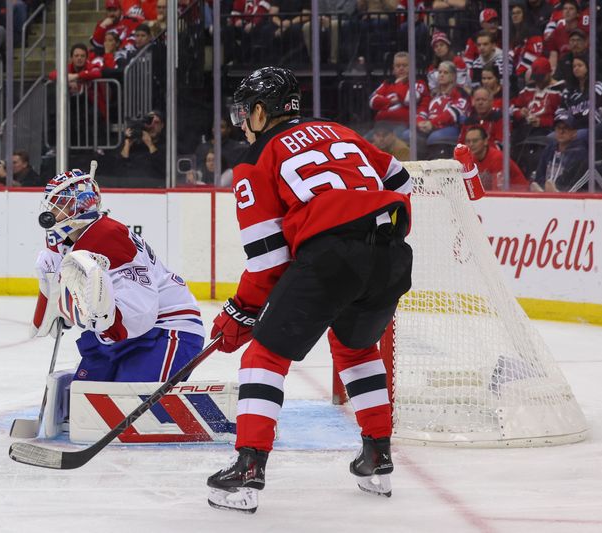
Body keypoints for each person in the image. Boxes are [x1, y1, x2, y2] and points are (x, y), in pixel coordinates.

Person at [206, 67, 413, 513]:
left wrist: (239, 312)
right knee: (357, 350)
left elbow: (268, 261)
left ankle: (248, 467)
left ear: (262, 111)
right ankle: (378, 456)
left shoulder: (255, 161)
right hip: (392, 254)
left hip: (332, 254)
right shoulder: (340, 131)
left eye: (245, 113)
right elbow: (402, 181)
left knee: (263, 355)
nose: (242, 123)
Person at [32, 167, 205, 383]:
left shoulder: (106, 235)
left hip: (168, 330)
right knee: (86, 401)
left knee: (132, 407)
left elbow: (141, 312)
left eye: (59, 205)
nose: (51, 212)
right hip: (123, 333)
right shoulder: (67, 241)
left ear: (78, 206)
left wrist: (102, 324)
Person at [463, 126, 528, 191]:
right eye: (468, 141)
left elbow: (498, 190)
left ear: (485, 141)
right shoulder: (470, 158)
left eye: (475, 141)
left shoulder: (497, 158)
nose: (471, 144)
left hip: (519, 194)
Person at [534, 115, 589, 192]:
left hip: (568, 198)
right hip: (546, 195)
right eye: (558, 128)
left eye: (566, 128)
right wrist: (543, 188)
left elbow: (574, 183)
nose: (561, 132)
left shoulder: (580, 152)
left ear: (574, 133)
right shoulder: (549, 149)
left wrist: (559, 193)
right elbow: (540, 174)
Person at [118, 109, 166, 182]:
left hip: (156, 186)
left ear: (162, 125)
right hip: (129, 185)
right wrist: (127, 144)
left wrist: (150, 145)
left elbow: (163, 168)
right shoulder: (134, 144)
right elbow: (118, 168)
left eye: (156, 122)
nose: (152, 126)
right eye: (149, 122)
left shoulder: (168, 146)